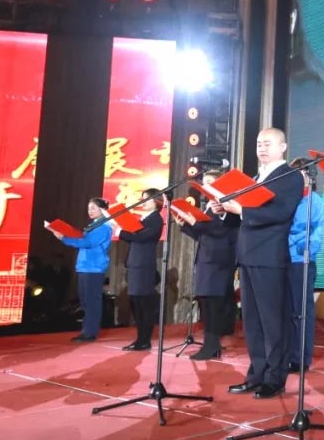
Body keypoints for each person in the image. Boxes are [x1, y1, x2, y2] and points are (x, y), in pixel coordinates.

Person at [219, 128, 305, 399]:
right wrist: (226, 210)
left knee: (273, 321)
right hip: (248, 255)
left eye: (268, 143)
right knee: (252, 321)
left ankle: (275, 378)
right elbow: (243, 217)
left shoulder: (290, 176)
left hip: (270, 257)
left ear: (283, 147)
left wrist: (242, 210)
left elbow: (280, 213)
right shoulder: (255, 178)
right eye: (258, 144)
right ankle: (256, 374)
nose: (262, 148)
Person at [173, 170, 239, 360]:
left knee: (214, 303)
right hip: (206, 258)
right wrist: (185, 224)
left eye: (210, 182)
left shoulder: (227, 203)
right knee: (206, 302)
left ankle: (212, 346)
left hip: (219, 260)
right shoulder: (209, 205)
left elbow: (221, 231)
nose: (206, 185)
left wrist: (196, 222)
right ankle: (211, 345)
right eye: (204, 182)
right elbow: (203, 234)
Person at [45, 198, 112, 342]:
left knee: (92, 301)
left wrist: (64, 238)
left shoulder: (104, 227)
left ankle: (90, 333)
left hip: (94, 268)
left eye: (93, 208)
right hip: (85, 266)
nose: (90, 211)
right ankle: (86, 331)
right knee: (85, 301)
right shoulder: (93, 226)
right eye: (88, 208)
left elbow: (88, 243)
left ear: (103, 210)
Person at [113, 189, 165, 351]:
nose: (143, 202)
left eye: (147, 199)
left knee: (143, 303)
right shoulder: (144, 218)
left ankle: (144, 340)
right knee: (136, 302)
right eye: (142, 199)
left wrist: (121, 232)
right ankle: (140, 339)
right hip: (135, 264)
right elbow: (135, 238)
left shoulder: (155, 219)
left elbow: (142, 238)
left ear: (157, 202)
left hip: (143, 265)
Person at [287, 176, 324, 373]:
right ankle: (288, 353)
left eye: (300, 175)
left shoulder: (313, 200)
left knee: (301, 311)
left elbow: (300, 226)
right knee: (288, 311)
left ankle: (300, 358)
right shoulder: (290, 197)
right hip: (284, 259)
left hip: (301, 260)